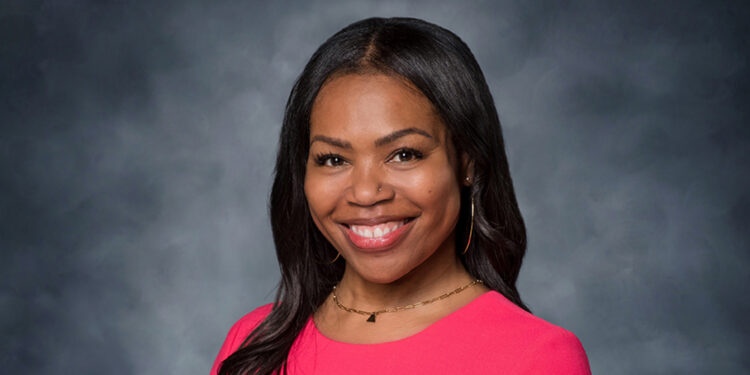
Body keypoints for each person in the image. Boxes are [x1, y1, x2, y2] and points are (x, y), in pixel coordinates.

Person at [211, 17, 591, 375]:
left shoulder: (535, 356)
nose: (365, 192)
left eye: (404, 154)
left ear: (467, 162)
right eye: (333, 159)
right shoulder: (252, 344)